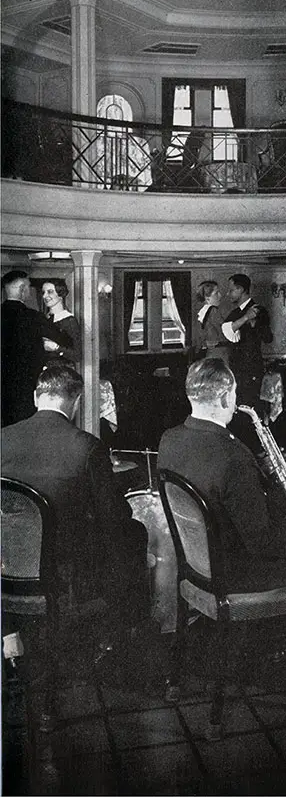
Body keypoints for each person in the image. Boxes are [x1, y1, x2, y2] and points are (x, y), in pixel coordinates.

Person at [158, 358, 286, 682]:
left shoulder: (170, 438)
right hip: (238, 574)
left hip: (198, 568)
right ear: (224, 398)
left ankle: (275, 647)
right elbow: (262, 545)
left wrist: (260, 477)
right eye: (233, 394)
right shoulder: (234, 456)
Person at [2, 363, 148, 628]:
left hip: (10, 565)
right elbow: (114, 517)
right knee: (134, 533)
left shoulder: (3, 438)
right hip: (64, 575)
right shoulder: (87, 447)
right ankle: (124, 632)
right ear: (77, 401)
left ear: (36, 396)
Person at [1, 269, 68, 427]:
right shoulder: (34, 317)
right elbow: (64, 340)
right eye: (29, 287)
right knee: (26, 428)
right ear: (23, 289)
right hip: (27, 385)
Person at [221, 274, 273, 407]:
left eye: (231, 290)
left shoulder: (259, 310)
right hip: (236, 369)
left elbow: (268, 338)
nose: (228, 294)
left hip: (251, 368)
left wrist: (256, 325)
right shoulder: (235, 313)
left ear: (241, 289)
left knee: (251, 406)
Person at [42, 279, 81, 364]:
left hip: (62, 372)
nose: (44, 296)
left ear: (61, 294)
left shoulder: (70, 320)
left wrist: (56, 348)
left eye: (50, 292)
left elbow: (77, 356)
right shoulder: (45, 318)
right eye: (43, 292)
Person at [195, 280, 229, 363]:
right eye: (216, 293)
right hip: (219, 352)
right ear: (207, 298)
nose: (220, 296)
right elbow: (226, 332)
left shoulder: (202, 312)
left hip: (209, 352)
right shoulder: (213, 311)